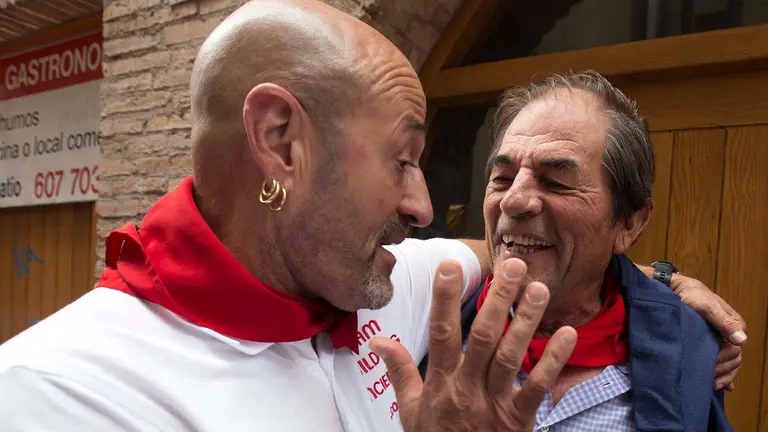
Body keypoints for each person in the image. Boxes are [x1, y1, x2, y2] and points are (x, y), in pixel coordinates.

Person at [0, 1, 743, 431]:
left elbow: (504, 249)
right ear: (281, 142)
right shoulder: (55, 393)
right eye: (403, 159)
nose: (422, 206)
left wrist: (658, 283)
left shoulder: (396, 286)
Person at [408, 71, 734, 431]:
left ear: (629, 224)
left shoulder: (690, 349)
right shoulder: (415, 315)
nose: (514, 200)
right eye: (502, 178)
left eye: (556, 183)